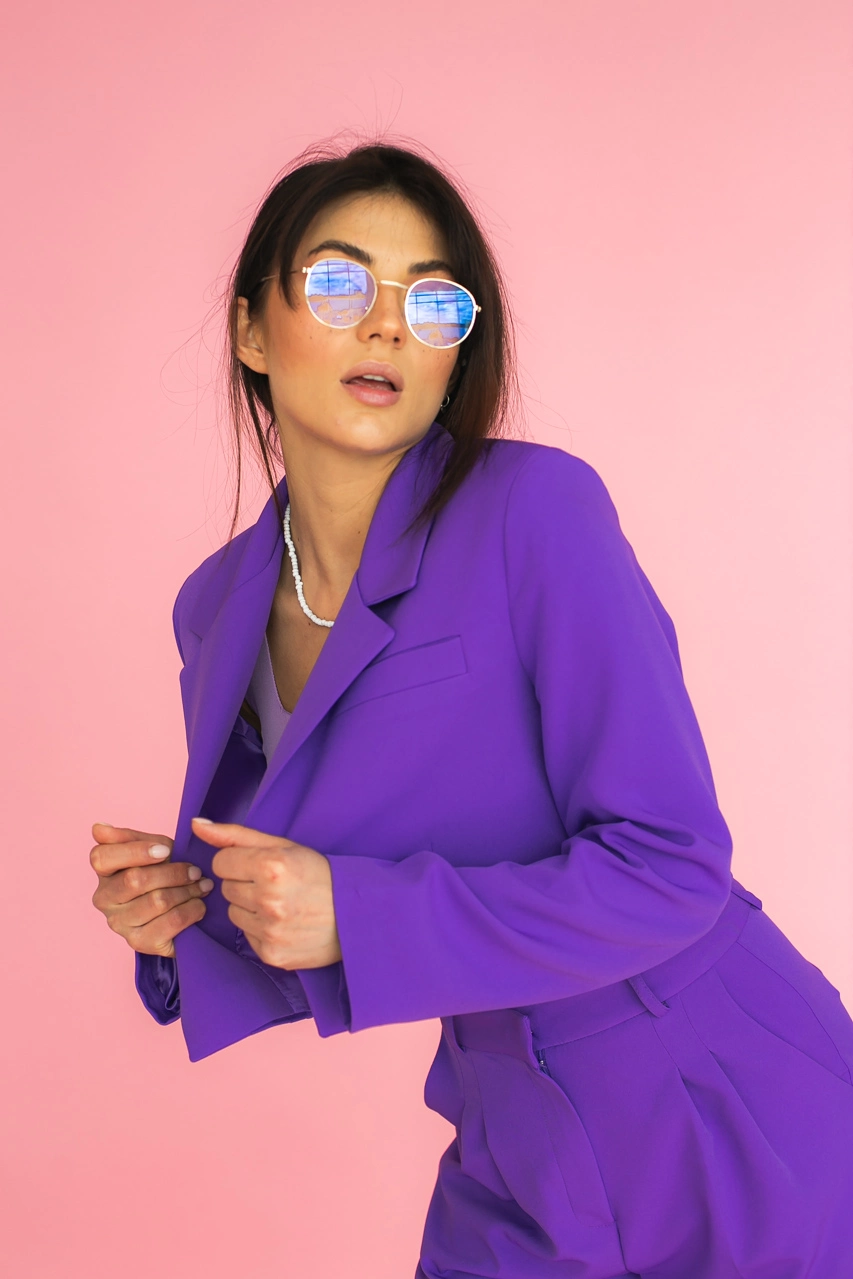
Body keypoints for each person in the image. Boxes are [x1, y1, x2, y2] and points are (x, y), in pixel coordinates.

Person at [89, 140, 853, 1278]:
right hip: (510, 1121)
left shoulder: (536, 514)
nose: (387, 326)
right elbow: (296, 892)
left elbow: (672, 866)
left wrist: (354, 916)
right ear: (251, 327)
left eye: (431, 300)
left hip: (723, 1096)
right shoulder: (217, 609)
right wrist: (178, 916)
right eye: (340, 283)